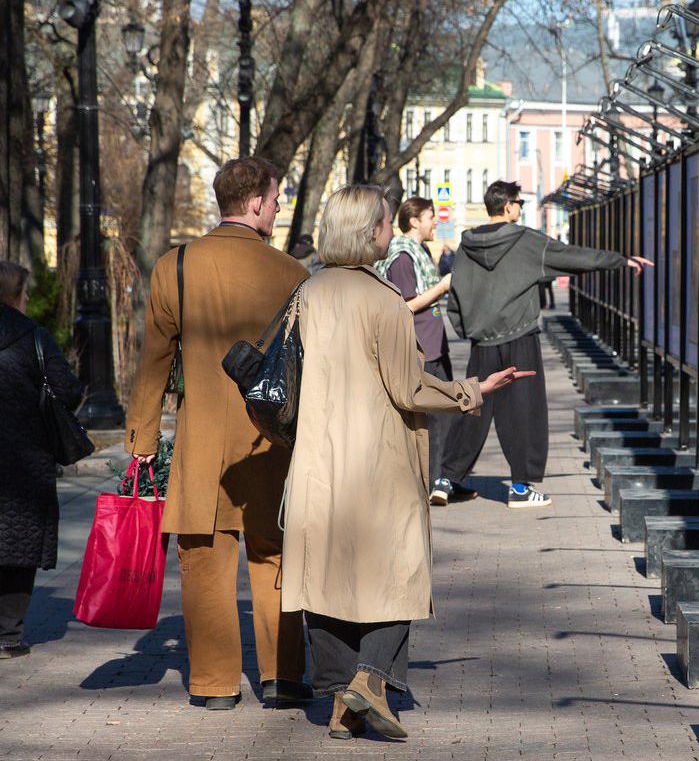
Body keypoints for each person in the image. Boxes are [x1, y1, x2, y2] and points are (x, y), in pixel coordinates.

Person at [281, 185, 532, 739]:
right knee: (399, 567)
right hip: (377, 458)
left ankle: (342, 703)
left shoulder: (308, 292)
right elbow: (408, 387)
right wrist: (472, 389)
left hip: (317, 456)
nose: (388, 231)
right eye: (383, 223)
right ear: (367, 231)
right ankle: (369, 680)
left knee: (324, 577)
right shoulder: (383, 300)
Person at [127, 157, 310, 710]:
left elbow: (154, 363)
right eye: (275, 199)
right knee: (275, 553)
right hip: (270, 441)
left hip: (203, 439)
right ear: (254, 203)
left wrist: (141, 441)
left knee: (204, 555)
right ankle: (282, 677)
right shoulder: (293, 274)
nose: (277, 208)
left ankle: (214, 683)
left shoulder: (175, 267)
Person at [444, 180, 651, 509]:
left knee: (473, 406)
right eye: (520, 204)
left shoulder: (466, 244)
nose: (521, 209)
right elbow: (572, 257)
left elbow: (457, 290)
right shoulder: (525, 240)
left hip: (482, 341)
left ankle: (446, 479)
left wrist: (467, 328)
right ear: (509, 206)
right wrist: (620, 260)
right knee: (524, 412)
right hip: (520, 337)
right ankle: (520, 489)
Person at [0, 261, 83, 660]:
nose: (29, 297)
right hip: (26, 459)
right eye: (25, 291)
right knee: (18, 546)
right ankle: (8, 635)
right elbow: (67, 391)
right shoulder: (35, 338)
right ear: (14, 294)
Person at [375, 197, 476, 506]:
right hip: (420, 348)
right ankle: (434, 482)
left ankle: (444, 479)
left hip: (434, 345)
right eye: (431, 217)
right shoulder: (403, 257)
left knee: (447, 413)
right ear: (414, 221)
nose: (436, 222)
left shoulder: (420, 252)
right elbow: (405, 306)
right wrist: (442, 288)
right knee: (434, 419)